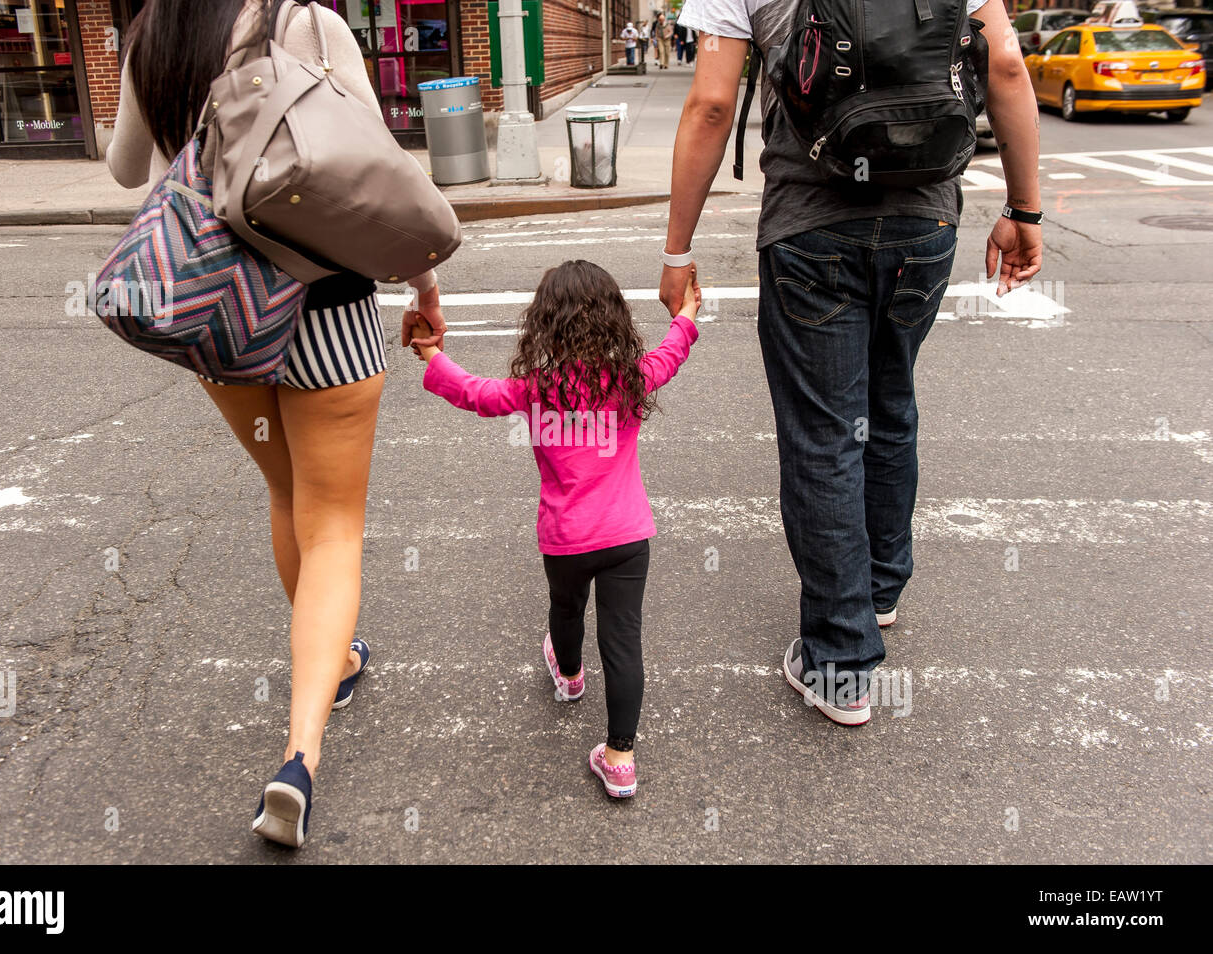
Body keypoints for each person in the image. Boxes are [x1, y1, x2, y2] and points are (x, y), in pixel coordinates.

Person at [107, 0, 449, 848]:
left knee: (285, 491)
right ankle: (299, 755)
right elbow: (373, 172)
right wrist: (425, 287)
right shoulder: (309, 21)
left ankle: (331, 662)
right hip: (325, 302)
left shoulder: (155, 30)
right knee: (333, 525)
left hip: (217, 309)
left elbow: (124, 169)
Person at [662, 0, 1042, 725]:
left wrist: (678, 252)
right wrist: (1024, 210)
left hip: (812, 229)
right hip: (923, 221)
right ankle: (879, 590)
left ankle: (840, 664)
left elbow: (712, 106)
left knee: (826, 433)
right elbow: (1007, 66)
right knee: (891, 403)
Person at [411, 261, 701, 798]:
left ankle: (568, 675)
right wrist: (685, 313)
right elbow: (670, 355)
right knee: (623, 642)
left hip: (566, 537)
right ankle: (619, 758)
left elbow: (475, 393)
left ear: (546, 322)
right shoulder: (631, 377)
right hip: (627, 535)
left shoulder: (536, 388)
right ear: (614, 318)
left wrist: (431, 354)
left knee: (566, 610)